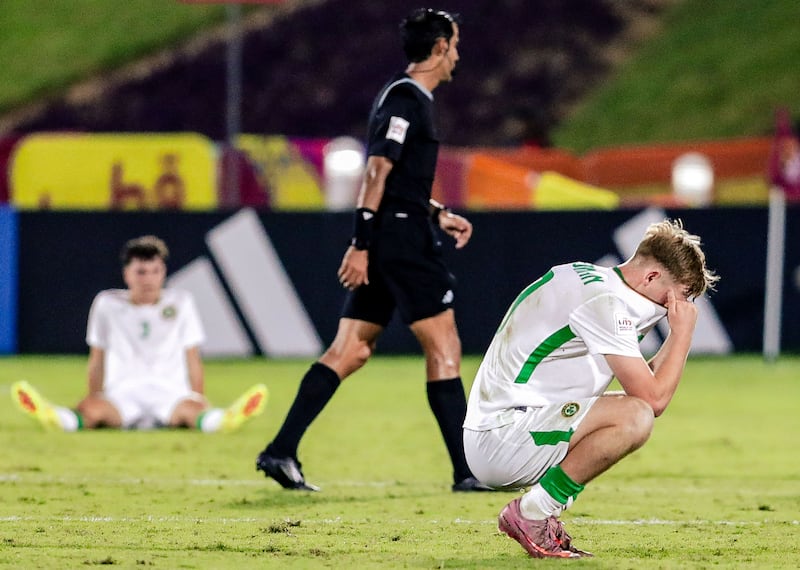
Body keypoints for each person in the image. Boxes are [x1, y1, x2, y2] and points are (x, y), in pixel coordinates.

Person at [255, 8, 489, 492]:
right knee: (444, 348)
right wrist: (359, 244)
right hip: (399, 242)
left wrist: (435, 211)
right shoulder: (407, 100)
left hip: (394, 232)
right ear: (440, 47)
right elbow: (377, 172)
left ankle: (280, 451)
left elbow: (397, 180)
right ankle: (468, 471)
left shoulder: (403, 97)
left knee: (352, 349)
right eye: (455, 45)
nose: (458, 56)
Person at [463, 219, 719, 558]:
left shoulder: (589, 278)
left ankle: (538, 512)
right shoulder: (607, 305)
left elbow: (645, 381)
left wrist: (675, 333)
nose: (673, 310)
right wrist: (685, 335)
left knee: (633, 409)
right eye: (674, 300)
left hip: (504, 424)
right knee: (636, 417)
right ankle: (533, 513)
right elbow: (653, 399)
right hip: (504, 437)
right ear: (652, 277)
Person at [11, 235, 267, 433]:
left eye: (155, 272)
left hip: (169, 392)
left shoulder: (181, 302)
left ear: (163, 273)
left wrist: (198, 396)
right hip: (123, 393)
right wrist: (95, 394)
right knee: (90, 410)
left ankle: (225, 419)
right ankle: (55, 417)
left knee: (195, 410)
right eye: (141, 272)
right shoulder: (107, 304)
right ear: (127, 274)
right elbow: (97, 358)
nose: (148, 279)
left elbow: (192, 356)